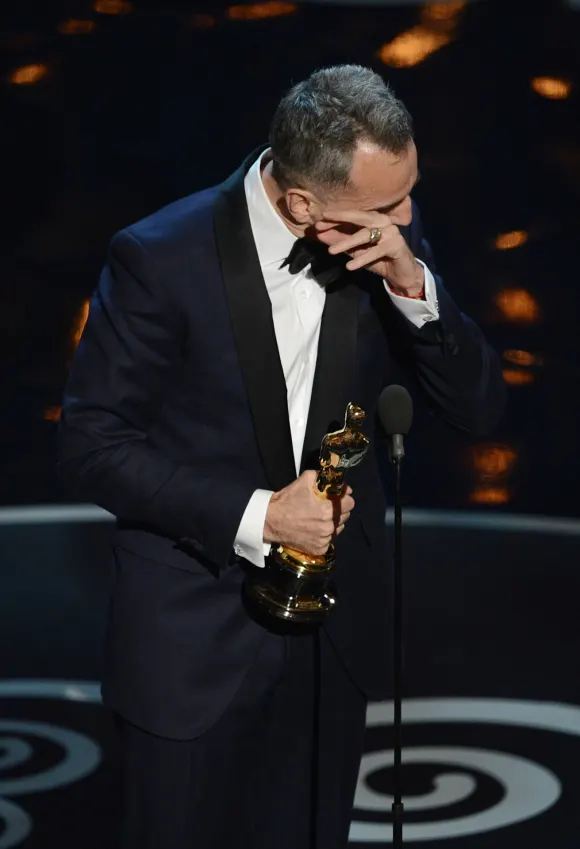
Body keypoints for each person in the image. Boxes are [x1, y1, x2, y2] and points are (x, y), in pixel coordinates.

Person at [57, 64, 506, 849]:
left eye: (409, 195)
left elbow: (476, 408)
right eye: (385, 206)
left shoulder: (384, 233)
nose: (403, 217)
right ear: (303, 203)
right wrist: (263, 515)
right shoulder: (159, 258)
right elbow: (92, 444)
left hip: (332, 643)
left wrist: (413, 285)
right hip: (193, 635)